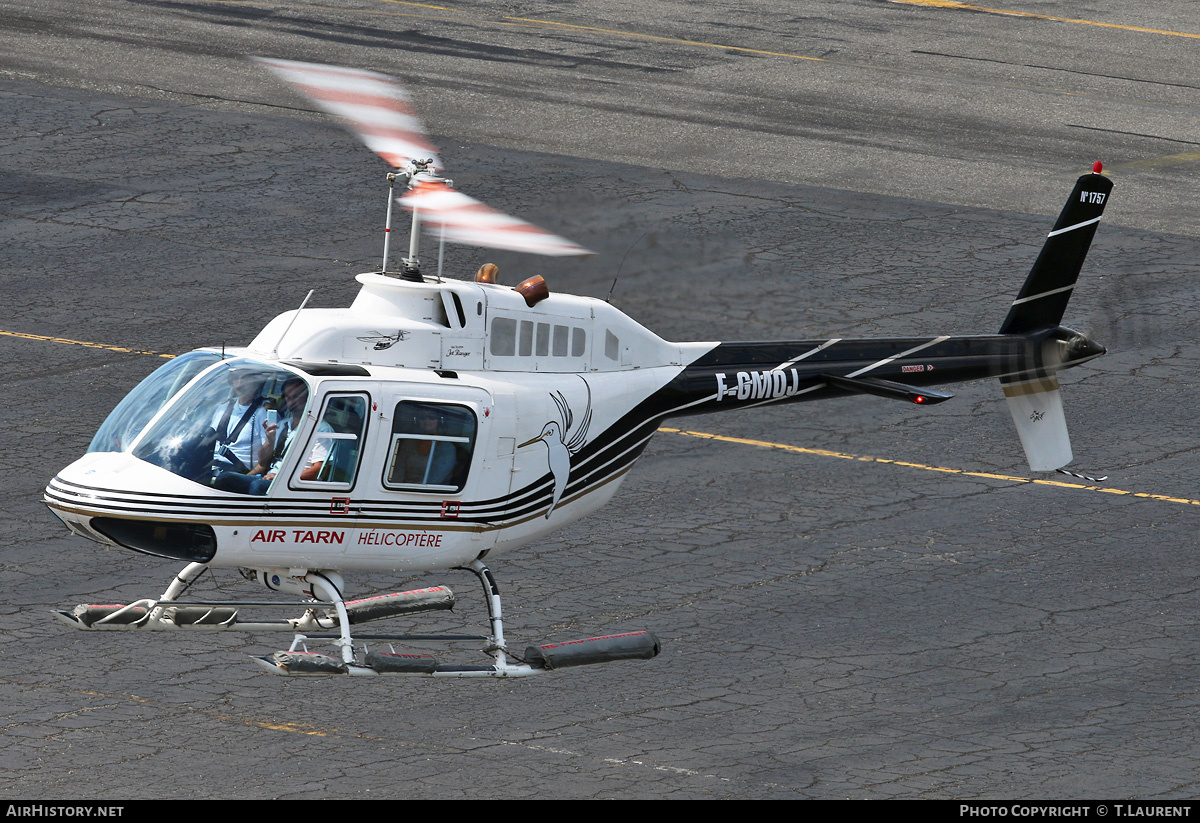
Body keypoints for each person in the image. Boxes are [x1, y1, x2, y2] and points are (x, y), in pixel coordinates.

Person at [213, 377, 331, 495]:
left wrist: (282, 478)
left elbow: (320, 470)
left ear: (308, 398)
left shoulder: (321, 429)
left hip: (291, 485)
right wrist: (270, 440)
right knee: (226, 479)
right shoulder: (283, 424)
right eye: (288, 398)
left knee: (258, 486)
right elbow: (263, 462)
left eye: (296, 397)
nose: (292, 402)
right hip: (268, 477)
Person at [210, 369, 268, 475]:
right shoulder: (223, 407)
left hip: (237, 473)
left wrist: (247, 478)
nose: (240, 382)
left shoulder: (263, 413)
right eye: (236, 378)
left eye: (245, 378)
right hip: (211, 466)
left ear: (256, 383)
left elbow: (265, 460)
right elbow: (209, 438)